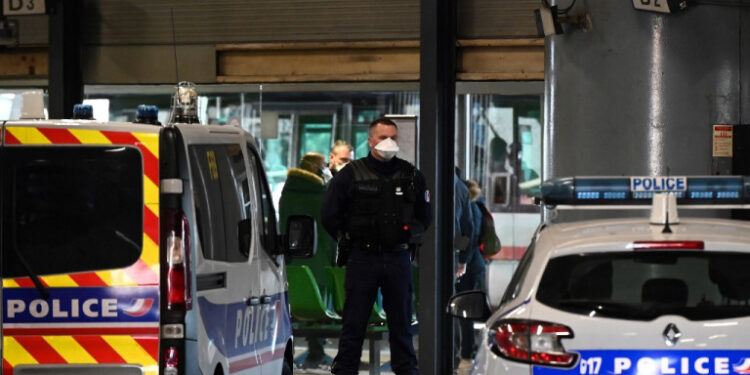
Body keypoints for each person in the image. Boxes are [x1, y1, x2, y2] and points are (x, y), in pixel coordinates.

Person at [322, 117, 432, 375]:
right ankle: (345, 370)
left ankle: (406, 371)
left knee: (401, 326)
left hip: (398, 258)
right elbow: (328, 214)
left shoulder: (411, 175)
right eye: (383, 138)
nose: (389, 142)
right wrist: (347, 237)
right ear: (370, 141)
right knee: (354, 324)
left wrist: (409, 236)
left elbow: (424, 217)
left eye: (393, 137)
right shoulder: (350, 175)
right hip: (363, 257)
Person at [278, 152, 335, 368]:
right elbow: (329, 230)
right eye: (323, 166)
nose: (326, 168)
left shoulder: (287, 191)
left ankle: (305, 351)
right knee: (318, 305)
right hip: (318, 258)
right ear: (314, 168)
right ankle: (316, 350)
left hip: (292, 261)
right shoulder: (320, 194)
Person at [456, 179, 488, 371]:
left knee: (464, 311)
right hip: (475, 265)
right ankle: (467, 349)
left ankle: (467, 351)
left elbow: (471, 237)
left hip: (471, 266)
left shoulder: (473, 208)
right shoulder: (477, 207)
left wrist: (462, 262)